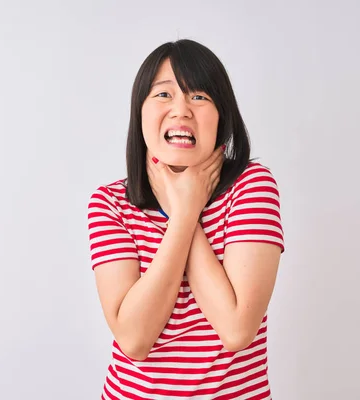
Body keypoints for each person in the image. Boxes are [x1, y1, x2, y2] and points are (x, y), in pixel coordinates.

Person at [87, 39, 285, 399]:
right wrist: (185, 213)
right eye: (163, 95)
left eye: (199, 96)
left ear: (222, 115)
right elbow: (133, 339)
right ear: (140, 112)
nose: (181, 110)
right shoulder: (110, 202)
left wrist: (184, 208)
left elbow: (237, 330)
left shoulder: (252, 186)